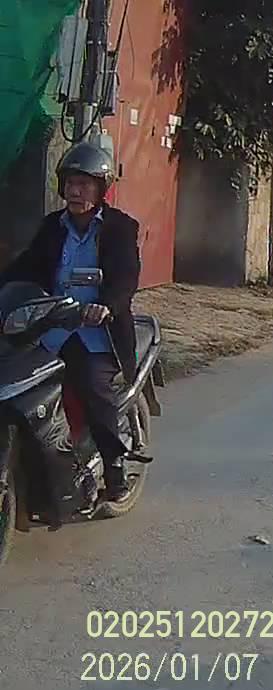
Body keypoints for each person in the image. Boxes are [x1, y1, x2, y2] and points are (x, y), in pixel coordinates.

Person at [0, 141, 141, 503]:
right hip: (52, 328)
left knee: (93, 388)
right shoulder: (53, 226)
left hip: (98, 334)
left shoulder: (119, 228)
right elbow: (27, 266)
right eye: (71, 184)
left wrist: (106, 306)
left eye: (85, 184)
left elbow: (126, 277)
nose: (76, 192)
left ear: (101, 188)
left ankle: (114, 469)